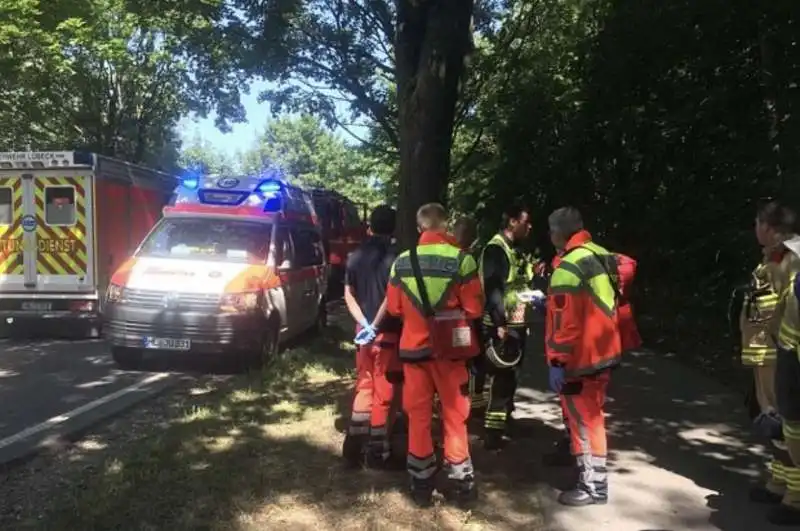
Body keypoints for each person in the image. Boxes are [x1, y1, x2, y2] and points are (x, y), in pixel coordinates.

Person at [386, 203, 485, 507]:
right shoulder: (463, 261)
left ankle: (421, 484)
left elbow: (393, 309)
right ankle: (461, 483)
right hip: (451, 354)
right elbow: (475, 309)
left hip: (414, 353)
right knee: (455, 416)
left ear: (419, 228)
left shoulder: (401, 263)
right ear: (445, 226)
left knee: (417, 417)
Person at [545, 206, 622, 507]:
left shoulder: (568, 267)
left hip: (581, 358)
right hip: (604, 350)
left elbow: (566, 324)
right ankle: (592, 480)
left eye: (551, 230)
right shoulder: (602, 254)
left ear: (559, 232)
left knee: (585, 422)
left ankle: (593, 487)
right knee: (592, 417)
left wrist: (557, 362)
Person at [744, 200, 800, 526]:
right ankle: (779, 483)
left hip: (781, 356)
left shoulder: (791, 260)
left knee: (786, 427)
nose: (755, 229)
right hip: (765, 354)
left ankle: (794, 498)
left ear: (769, 227)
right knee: (773, 426)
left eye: (757, 223)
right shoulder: (775, 257)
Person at [342, 204, 404, 469]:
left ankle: (353, 447)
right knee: (384, 393)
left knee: (364, 385)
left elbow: (348, 294)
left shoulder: (354, 255)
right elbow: (392, 297)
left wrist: (363, 323)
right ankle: (378, 453)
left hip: (362, 336)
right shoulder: (397, 259)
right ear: (394, 228)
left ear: (370, 227)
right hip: (387, 334)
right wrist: (376, 325)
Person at [478, 203, 534, 449]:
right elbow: (493, 289)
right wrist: (500, 323)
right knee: (502, 377)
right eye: (526, 222)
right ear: (513, 222)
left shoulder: (514, 250)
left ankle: (504, 420)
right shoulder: (495, 250)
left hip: (517, 322)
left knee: (511, 377)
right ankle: (493, 433)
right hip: (503, 324)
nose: (529, 227)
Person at [453, 217, 489, 412]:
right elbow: (474, 298)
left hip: (449, 321)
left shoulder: (449, 256)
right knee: (473, 359)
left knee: (459, 362)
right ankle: (472, 401)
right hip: (465, 321)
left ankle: (457, 399)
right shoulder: (465, 259)